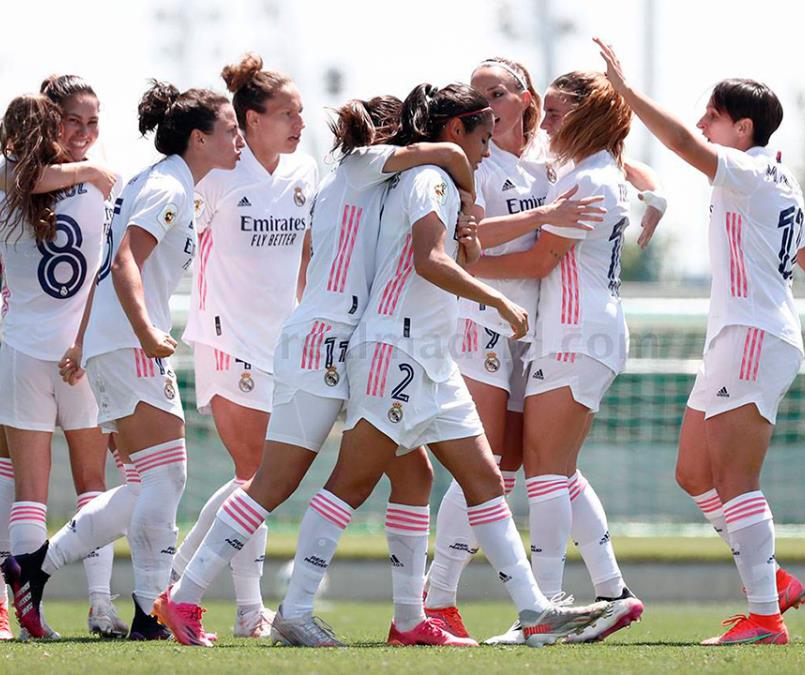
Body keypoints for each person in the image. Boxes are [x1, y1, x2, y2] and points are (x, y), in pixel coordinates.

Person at [159, 82, 607, 648]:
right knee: (287, 481)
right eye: (482, 131)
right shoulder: (378, 165)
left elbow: (434, 242)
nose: (490, 145)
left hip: (391, 347)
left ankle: (474, 613)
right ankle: (204, 598)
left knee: (442, 477)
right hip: (346, 342)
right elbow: (430, 237)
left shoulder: (386, 180)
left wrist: (467, 210)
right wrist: (471, 214)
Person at [597, 37, 805, 645]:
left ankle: (764, 619)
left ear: (742, 128)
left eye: (712, 115)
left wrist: (627, 94)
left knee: (737, 482)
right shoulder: (771, 177)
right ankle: (775, 583)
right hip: (743, 336)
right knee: (693, 473)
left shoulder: (753, 168)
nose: (703, 123)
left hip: (755, 337)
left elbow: (682, 144)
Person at [426, 58, 666, 643]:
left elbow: (617, 165)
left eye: (497, 92)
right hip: (485, 324)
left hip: (548, 333)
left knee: (531, 469)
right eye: (475, 95)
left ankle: (564, 601)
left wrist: (656, 197)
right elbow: (468, 244)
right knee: (499, 468)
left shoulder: (554, 162)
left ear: (526, 99)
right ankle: (443, 597)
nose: (486, 104)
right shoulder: (467, 162)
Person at [0, 80, 244, 641]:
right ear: (199, 138)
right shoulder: (168, 188)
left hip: (116, 342)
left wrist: (84, 343)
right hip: (132, 343)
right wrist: (147, 333)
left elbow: (105, 266)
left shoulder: (154, 181)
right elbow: (126, 261)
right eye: (230, 130)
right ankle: (150, 613)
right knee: (168, 475)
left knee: (143, 484)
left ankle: (34, 567)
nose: (238, 140)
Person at [170, 54, 317, 640]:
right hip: (227, 341)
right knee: (256, 475)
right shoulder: (215, 176)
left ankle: (175, 578)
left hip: (284, 346)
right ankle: (246, 611)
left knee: (252, 479)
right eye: (287, 112)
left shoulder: (305, 170)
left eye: (301, 113)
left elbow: (307, 251)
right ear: (250, 120)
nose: (298, 122)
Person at [0, 91, 112, 639]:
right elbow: (105, 277)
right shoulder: (99, 191)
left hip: (23, 356)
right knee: (94, 489)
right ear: (53, 130)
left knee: (19, 488)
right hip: (83, 357)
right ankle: (101, 604)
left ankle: (1, 607)